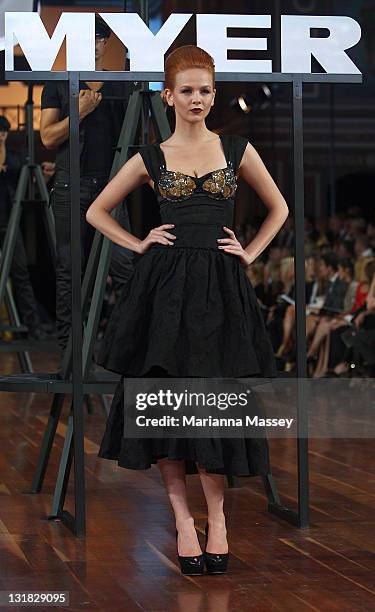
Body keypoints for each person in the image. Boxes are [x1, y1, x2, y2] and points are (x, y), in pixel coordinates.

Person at [85, 45, 289, 576]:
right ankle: (181, 521)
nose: (196, 99)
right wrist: (138, 243)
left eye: (205, 90)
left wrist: (250, 251)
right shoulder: (150, 158)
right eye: (188, 90)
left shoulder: (237, 149)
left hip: (221, 292)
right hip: (163, 293)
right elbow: (95, 210)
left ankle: (217, 521)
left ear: (213, 95)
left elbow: (280, 207)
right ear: (168, 95)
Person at [40, 15, 134, 357]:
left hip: (110, 190)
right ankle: (71, 361)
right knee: (70, 277)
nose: (91, 43)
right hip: (69, 188)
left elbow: (139, 139)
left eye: (97, 38)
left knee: (125, 271)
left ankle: (124, 355)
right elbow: (48, 137)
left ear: (104, 44)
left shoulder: (121, 85)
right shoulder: (57, 83)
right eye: (82, 37)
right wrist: (78, 113)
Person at [0, 115, 47, 339]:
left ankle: (33, 326)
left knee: (20, 273)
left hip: (9, 223)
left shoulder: (14, 159)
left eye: (4, 133)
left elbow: (27, 186)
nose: (1, 137)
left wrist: (42, 179)